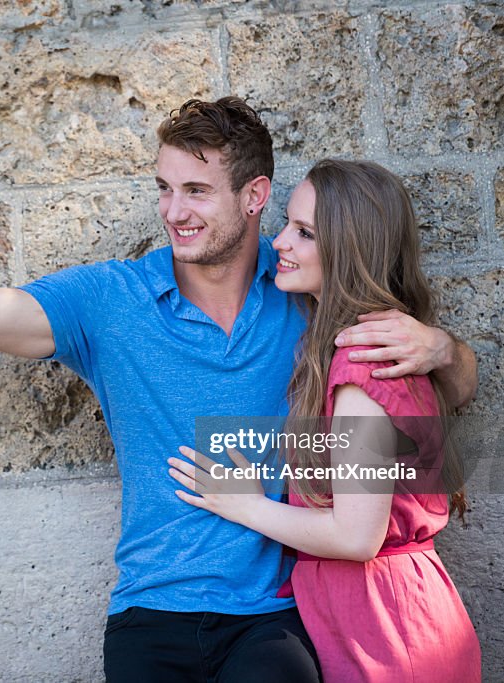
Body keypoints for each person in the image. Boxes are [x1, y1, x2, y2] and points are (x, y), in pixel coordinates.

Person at [0, 97, 478, 682]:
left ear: (256, 196)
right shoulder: (112, 301)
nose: (173, 210)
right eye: (164, 188)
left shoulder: (304, 295)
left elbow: (430, 400)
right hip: (149, 616)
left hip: (274, 618)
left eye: (196, 190)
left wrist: (445, 346)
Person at [168, 159, 482, 682]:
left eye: (305, 232)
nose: (280, 243)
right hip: (381, 616)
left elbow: (357, 536)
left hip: (387, 631)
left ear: (349, 249)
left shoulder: (361, 364)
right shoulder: (358, 344)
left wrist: (244, 504)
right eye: (288, 223)